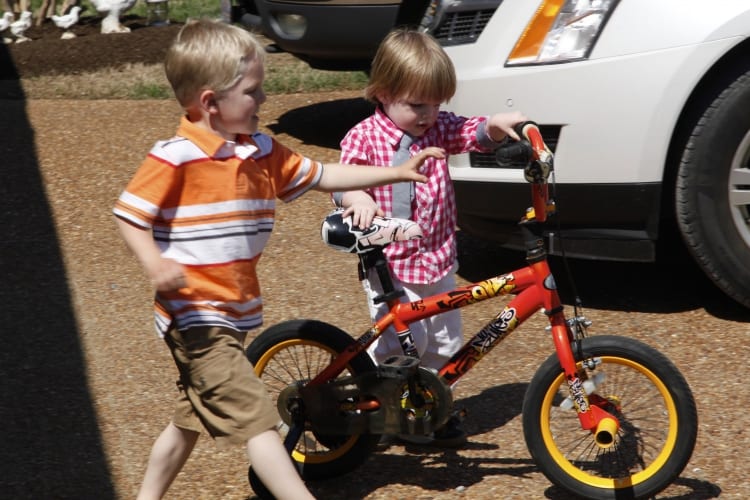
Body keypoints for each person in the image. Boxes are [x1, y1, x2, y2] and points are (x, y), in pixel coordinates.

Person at [113, 19, 444, 500]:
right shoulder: (176, 157)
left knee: (188, 420)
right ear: (210, 103)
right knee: (260, 425)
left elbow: (324, 173)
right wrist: (153, 264)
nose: (264, 98)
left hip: (234, 313)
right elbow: (130, 214)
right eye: (253, 91)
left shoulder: (260, 150)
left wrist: (395, 171)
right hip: (195, 319)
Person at [335, 28, 527, 447]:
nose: (428, 115)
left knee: (444, 342)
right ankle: (380, 403)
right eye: (416, 104)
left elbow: (468, 132)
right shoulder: (364, 137)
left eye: (436, 104)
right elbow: (344, 179)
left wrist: (495, 125)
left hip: (437, 259)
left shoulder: (437, 128)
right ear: (383, 93)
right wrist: (357, 197)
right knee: (401, 343)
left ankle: (429, 407)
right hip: (391, 266)